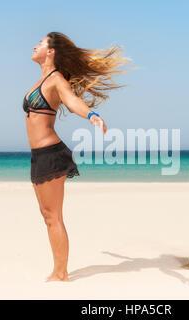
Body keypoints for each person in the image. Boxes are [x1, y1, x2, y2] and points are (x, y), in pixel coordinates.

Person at [23, 32, 131, 282]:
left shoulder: (56, 79)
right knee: (47, 215)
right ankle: (58, 270)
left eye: (40, 43)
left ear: (51, 51)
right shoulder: (40, 81)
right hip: (39, 155)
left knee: (53, 217)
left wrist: (92, 116)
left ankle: (60, 273)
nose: (34, 45)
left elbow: (72, 101)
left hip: (51, 154)